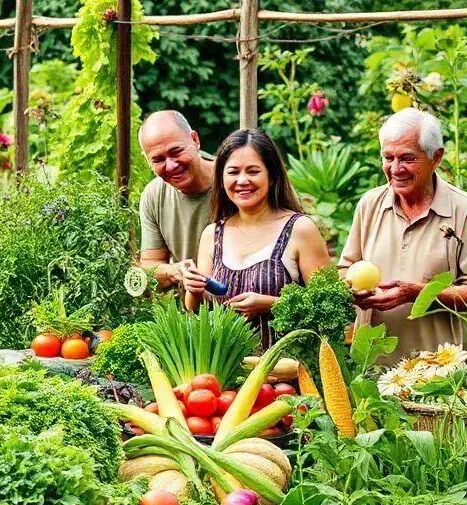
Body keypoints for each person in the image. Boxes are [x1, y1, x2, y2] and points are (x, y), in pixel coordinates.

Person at [338, 108, 467, 363]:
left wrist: (417, 293)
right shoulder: (370, 204)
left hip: (440, 374)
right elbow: (344, 270)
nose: (396, 168)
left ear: (436, 157)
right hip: (372, 368)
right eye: (388, 158)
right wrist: (352, 290)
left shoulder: (463, 210)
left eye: (407, 158)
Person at [183, 129, 332, 347]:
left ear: (272, 177)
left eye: (253, 171)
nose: (242, 180)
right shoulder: (212, 234)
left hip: (288, 371)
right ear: (222, 179)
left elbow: (330, 306)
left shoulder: (300, 229)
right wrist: (193, 290)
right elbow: (196, 309)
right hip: (227, 373)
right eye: (233, 172)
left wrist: (272, 304)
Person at [137, 110, 217, 290]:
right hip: (192, 311)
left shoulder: (235, 182)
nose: (171, 166)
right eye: (158, 159)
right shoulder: (154, 195)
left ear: (195, 140)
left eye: (176, 151)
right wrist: (173, 271)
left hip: (245, 305)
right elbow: (150, 264)